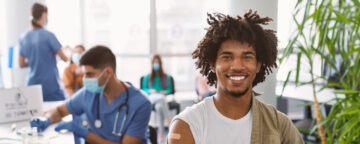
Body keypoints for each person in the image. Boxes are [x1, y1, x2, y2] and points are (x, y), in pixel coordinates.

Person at [168, 10, 304, 144]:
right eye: (227, 57)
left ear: (258, 65)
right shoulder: (187, 125)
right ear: (212, 65)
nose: (237, 66)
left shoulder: (280, 125)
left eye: (247, 57)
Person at [30, 46, 152, 144]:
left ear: (108, 72)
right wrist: (46, 118)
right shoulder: (88, 93)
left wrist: (85, 134)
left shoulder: (140, 104)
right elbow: (60, 111)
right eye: (84, 74)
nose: (84, 79)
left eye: (89, 74)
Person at [19, 3, 68, 101]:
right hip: (50, 85)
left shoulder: (23, 37)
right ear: (44, 15)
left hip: (31, 86)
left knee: (35, 114)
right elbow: (65, 58)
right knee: (59, 111)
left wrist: (35, 60)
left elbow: (21, 64)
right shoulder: (48, 35)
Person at [141, 54, 172, 143]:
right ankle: (169, 122)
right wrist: (150, 91)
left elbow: (169, 89)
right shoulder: (147, 77)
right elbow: (143, 89)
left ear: (160, 63)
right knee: (161, 98)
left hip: (161, 99)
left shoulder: (165, 77)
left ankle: (161, 133)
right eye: (154, 63)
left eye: (157, 63)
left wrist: (165, 92)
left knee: (159, 107)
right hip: (151, 98)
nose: (156, 64)